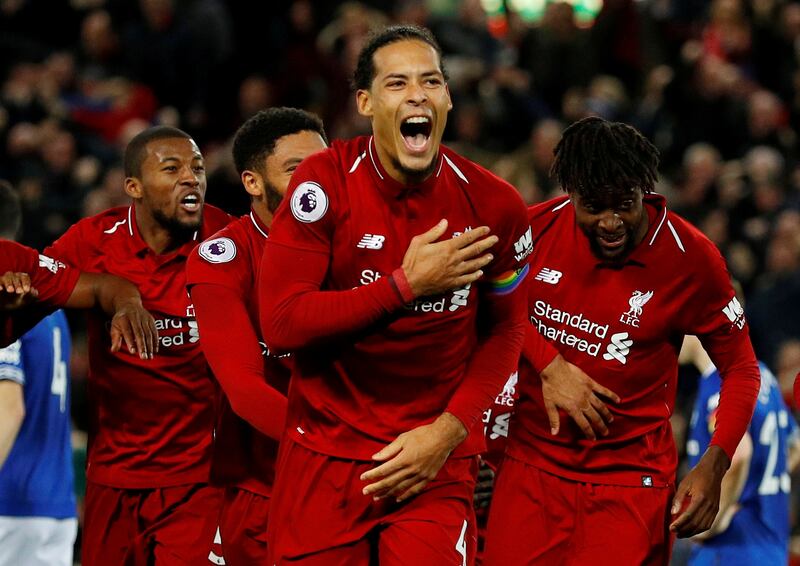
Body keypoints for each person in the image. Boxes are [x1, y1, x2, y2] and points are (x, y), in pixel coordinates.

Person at [258, 25, 532, 565]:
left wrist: (450, 431)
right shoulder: (323, 184)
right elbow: (282, 323)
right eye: (397, 83)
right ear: (365, 102)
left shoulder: (496, 205)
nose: (417, 95)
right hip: (326, 452)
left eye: (431, 81)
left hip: (434, 458)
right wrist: (405, 287)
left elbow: (507, 329)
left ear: (448, 98)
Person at [484, 116, 761, 565]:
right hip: (531, 471)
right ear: (570, 193)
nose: (611, 221)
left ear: (643, 189)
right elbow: (489, 305)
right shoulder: (532, 231)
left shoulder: (691, 259)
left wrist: (717, 460)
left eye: (624, 204)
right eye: (594, 206)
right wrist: (549, 364)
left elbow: (742, 368)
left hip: (629, 485)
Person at [44, 126, 232, 565]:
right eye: (173, 168)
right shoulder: (93, 241)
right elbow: (36, 282)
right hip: (114, 477)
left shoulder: (227, 238)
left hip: (199, 481)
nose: (192, 178)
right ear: (135, 187)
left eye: (198, 168)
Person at [186, 107, 328, 564]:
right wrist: (338, 449)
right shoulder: (224, 259)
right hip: (267, 487)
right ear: (252, 182)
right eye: (294, 169)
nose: (314, 182)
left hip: (359, 479)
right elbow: (245, 390)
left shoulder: (357, 240)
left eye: (321, 166)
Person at [0, 180, 156, 566]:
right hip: (54, 501)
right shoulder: (49, 315)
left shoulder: (10, 289)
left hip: (10, 501)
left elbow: (9, 405)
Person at [681, 335, 800, 565]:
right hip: (770, 546)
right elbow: (795, 444)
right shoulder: (762, 375)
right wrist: (757, 484)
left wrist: (715, 520)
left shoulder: (721, 379)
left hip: (730, 549)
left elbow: (739, 452)